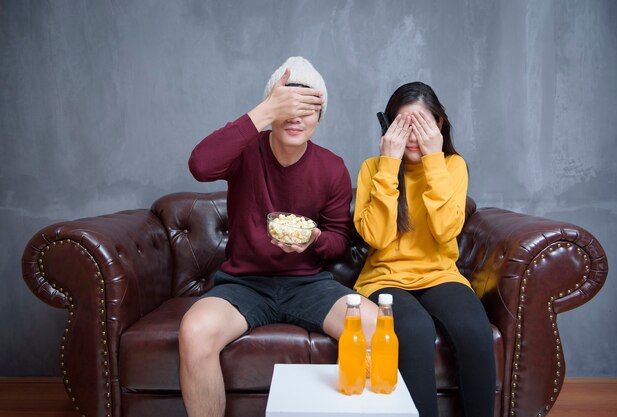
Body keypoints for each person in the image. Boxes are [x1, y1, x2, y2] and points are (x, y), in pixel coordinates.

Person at [179, 56, 378, 417]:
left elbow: (338, 242)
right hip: (244, 284)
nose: (296, 117)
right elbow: (200, 165)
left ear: (320, 118)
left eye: (308, 109)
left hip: (308, 285)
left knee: (374, 326)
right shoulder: (244, 152)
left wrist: (315, 238)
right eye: (286, 106)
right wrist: (265, 110)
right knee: (195, 330)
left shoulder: (331, 167)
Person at [353, 82, 496, 417]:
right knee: (414, 329)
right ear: (388, 129)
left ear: (439, 125)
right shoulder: (372, 168)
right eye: (404, 127)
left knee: (475, 330)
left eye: (423, 126)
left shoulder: (452, 166)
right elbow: (375, 237)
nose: (413, 136)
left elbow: (447, 229)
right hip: (384, 279)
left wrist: (434, 160)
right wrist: (389, 164)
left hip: (439, 275)